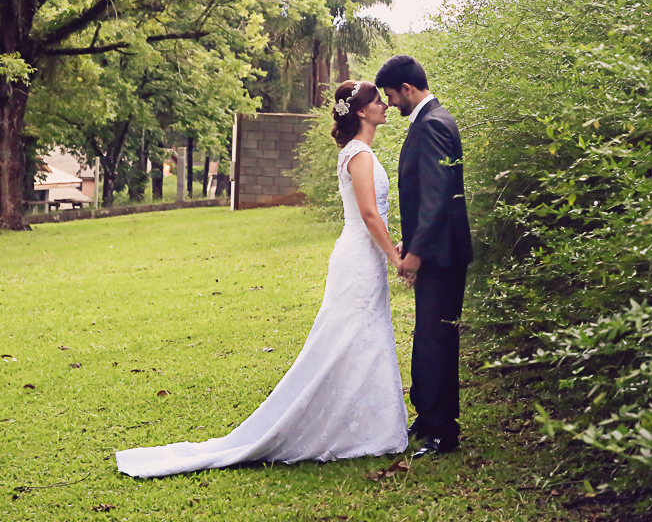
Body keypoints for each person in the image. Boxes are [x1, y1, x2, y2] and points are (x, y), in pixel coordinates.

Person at [116, 81, 408, 477]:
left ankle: (372, 425)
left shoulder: (361, 153)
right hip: (361, 256)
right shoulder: (359, 156)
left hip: (363, 255)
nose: (384, 106)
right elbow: (370, 215)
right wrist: (395, 256)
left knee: (364, 338)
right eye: (377, 102)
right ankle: (350, 427)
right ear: (361, 111)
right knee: (349, 337)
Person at [374, 55, 473, 458]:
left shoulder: (431, 125)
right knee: (431, 337)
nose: (391, 103)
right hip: (438, 250)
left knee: (436, 341)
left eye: (392, 95)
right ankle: (430, 418)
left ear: (408, 90)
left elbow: (436, 200)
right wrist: (410, 242)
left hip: (441, 255)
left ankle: (442, 432)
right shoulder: (433, 119)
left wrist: (415, 253)